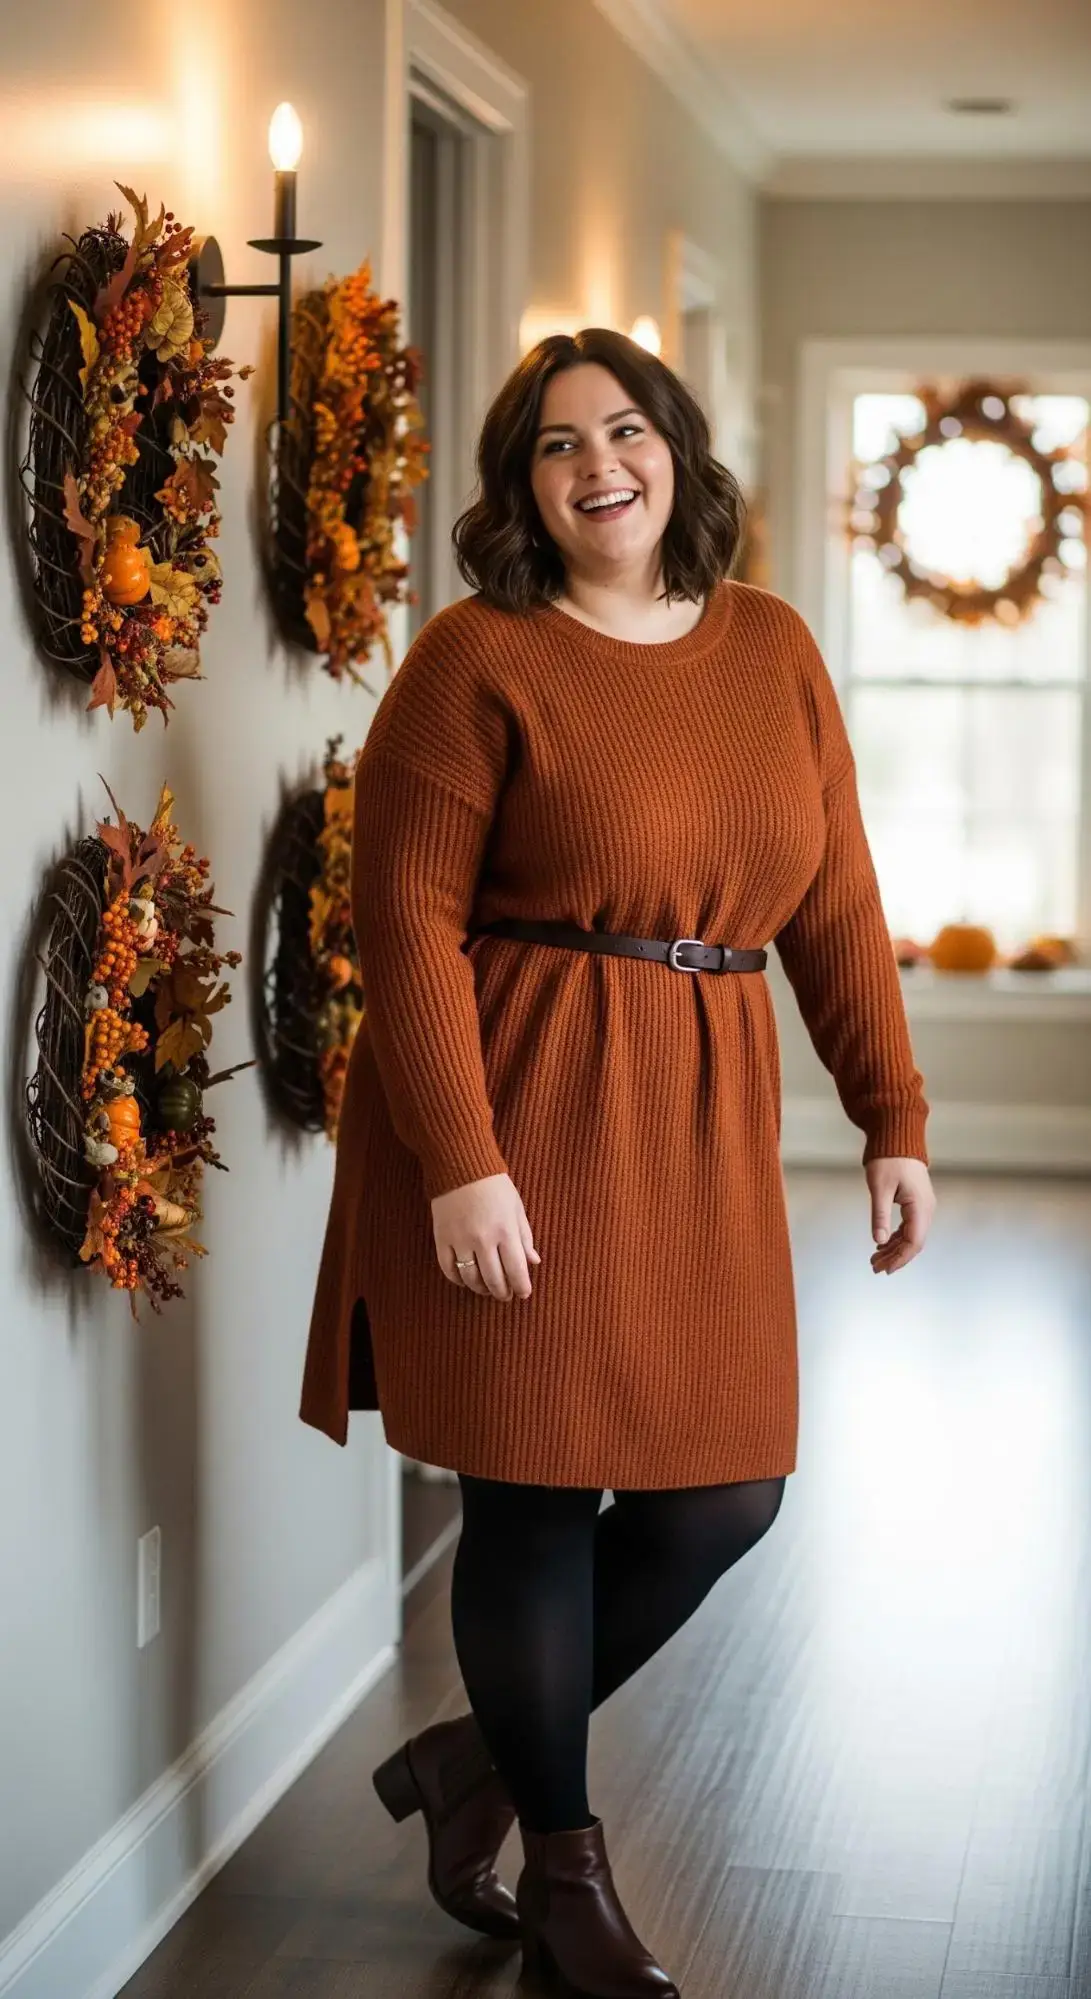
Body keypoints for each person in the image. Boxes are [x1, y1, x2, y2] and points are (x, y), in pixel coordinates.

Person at [299, 327, 936, 1997]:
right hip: (513, 1109)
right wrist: (460, 1158)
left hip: (697, 1121)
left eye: (627, 429)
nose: (600, 464)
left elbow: (838, 904)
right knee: (528, 1486)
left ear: (678, 453)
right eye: (557, 443)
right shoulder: (474, 658)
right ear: (520, 483)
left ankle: (476, 1764)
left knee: (723, 1490)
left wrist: (893, 1114)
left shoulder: (772, 649)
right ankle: (567, 1881)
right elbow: (404, 926)